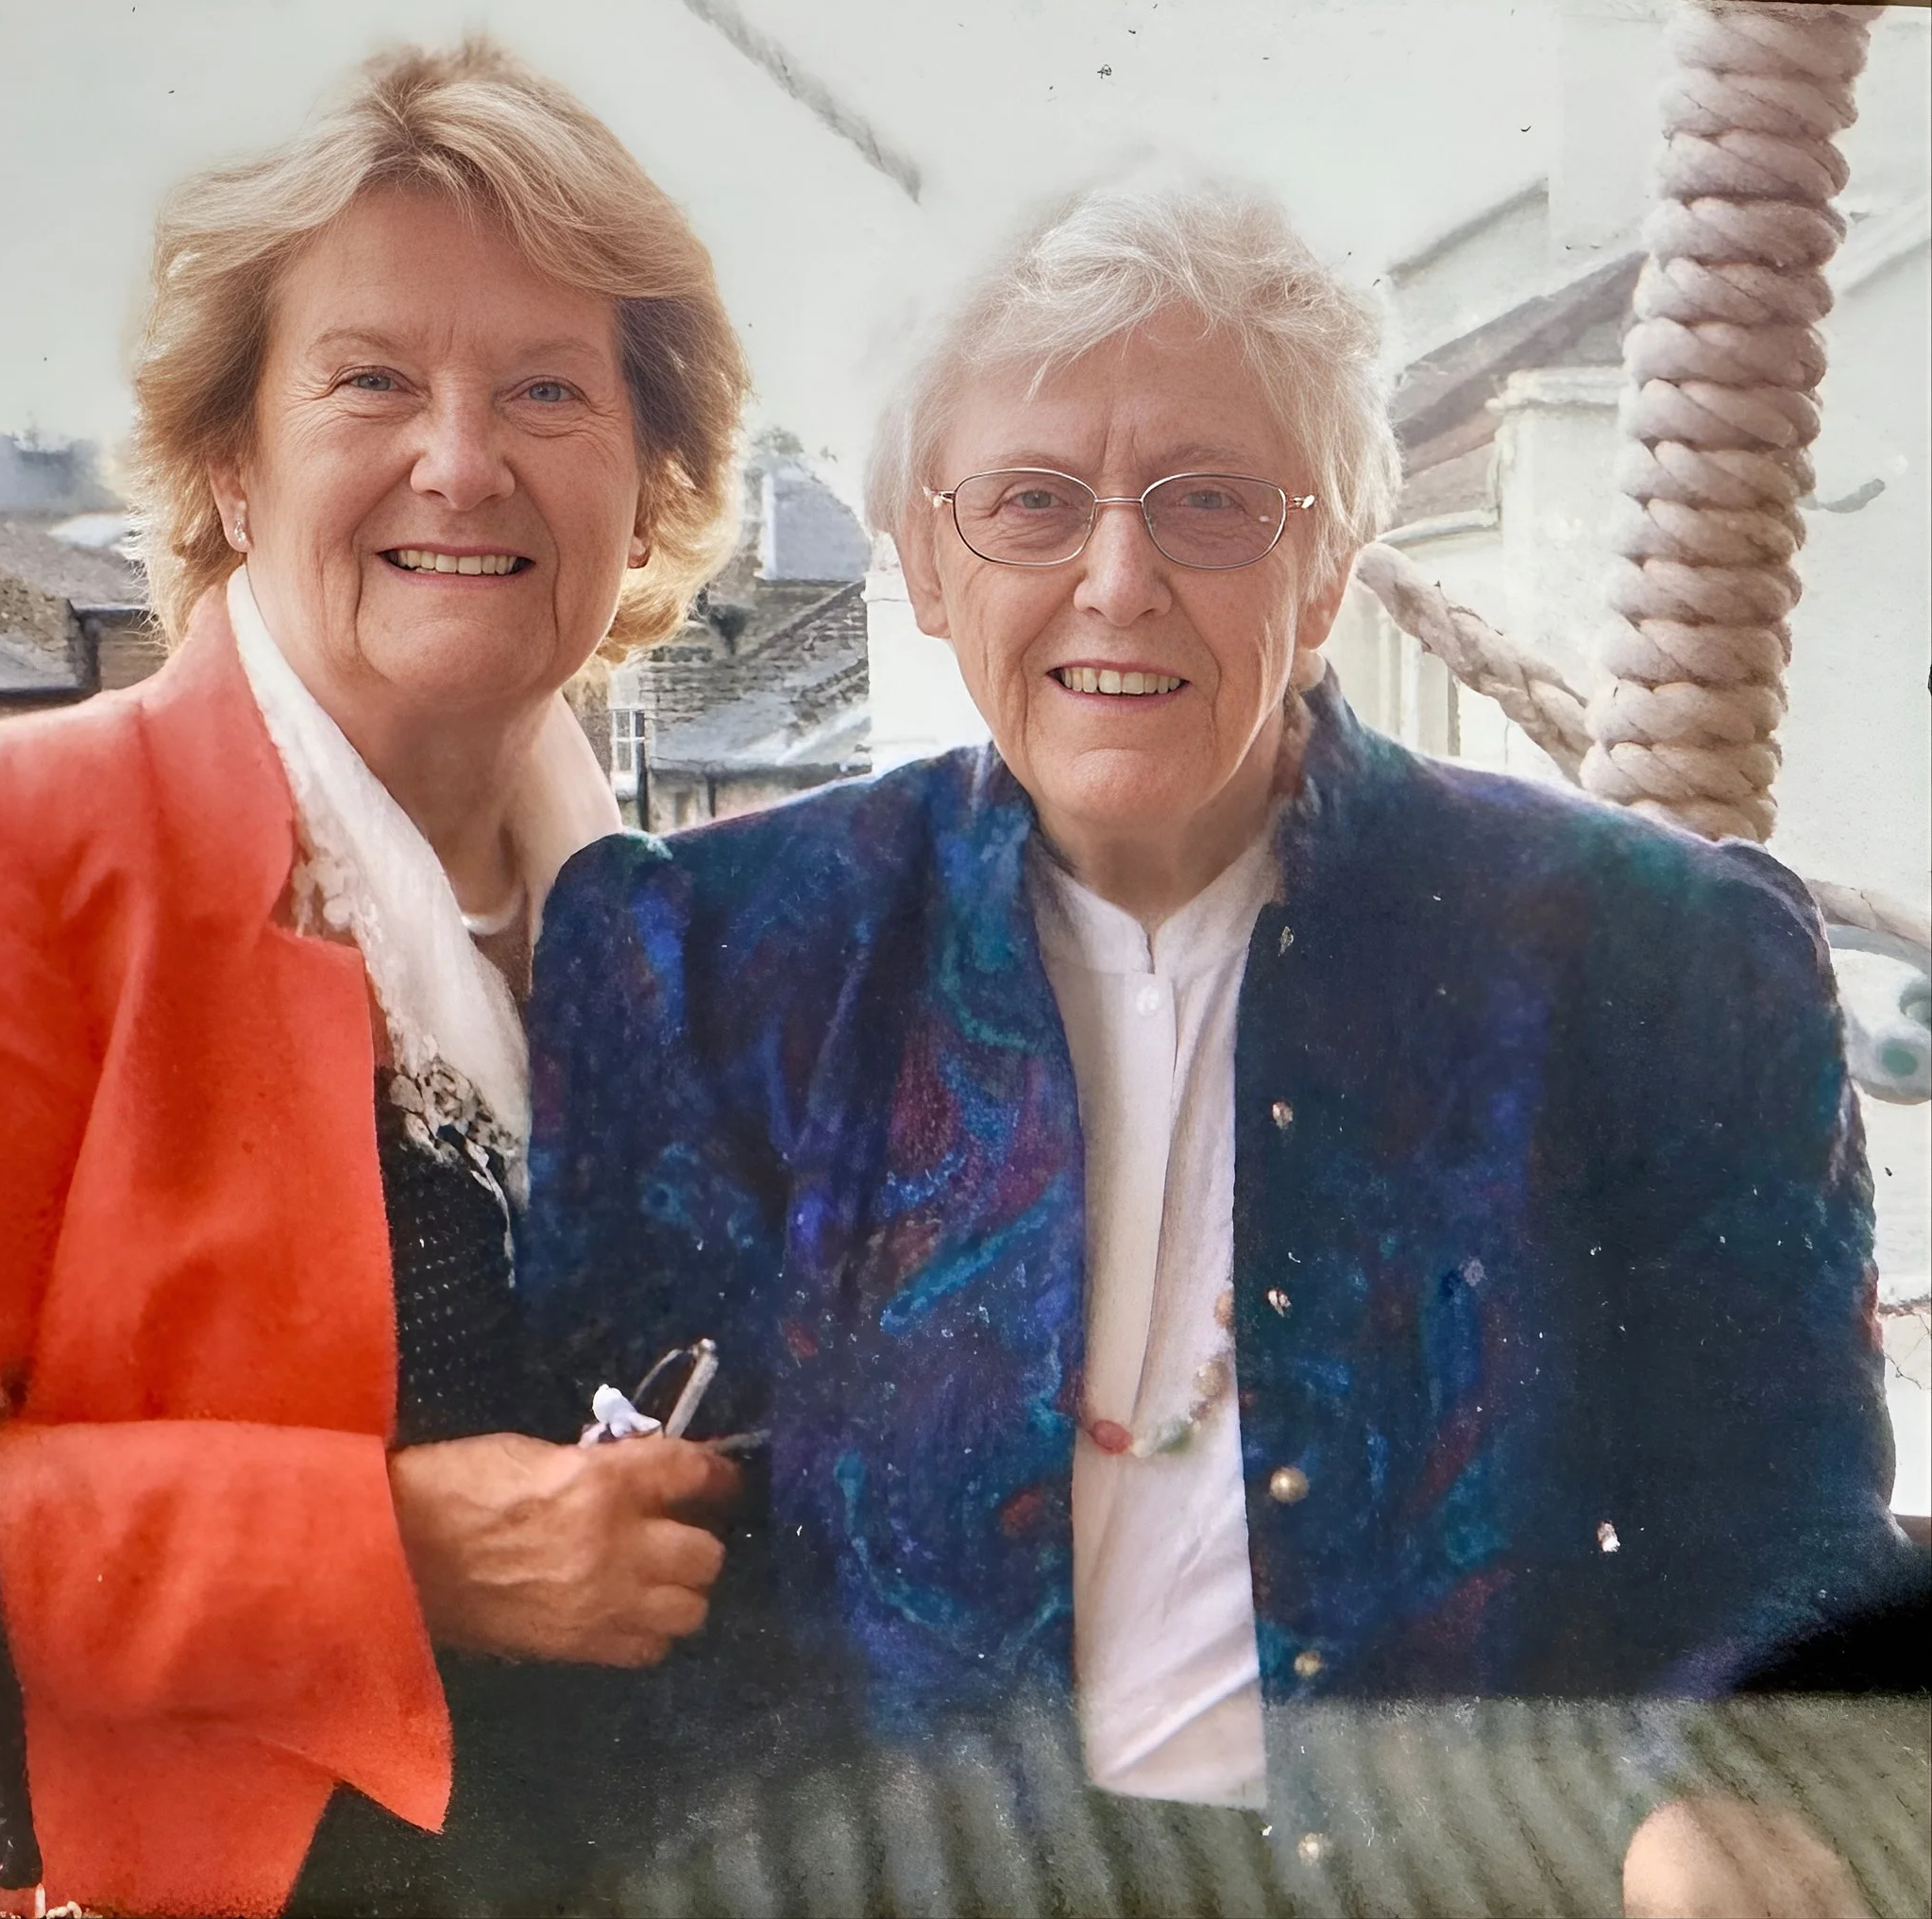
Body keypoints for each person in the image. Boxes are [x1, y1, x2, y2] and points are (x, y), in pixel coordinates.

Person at [520, 183, 1914, 1911]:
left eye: (1214, 504)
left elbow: (1783, 1534)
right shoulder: (709, 961)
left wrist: (1711, 1800)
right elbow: (623, 1592)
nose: (1119, 579)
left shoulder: (1656, 961)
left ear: (1330, 565)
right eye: (1032, 504)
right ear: (929, 562)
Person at [0, 40, 747, 1916]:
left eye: (550, 387)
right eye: (371, 379)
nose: (462, 457)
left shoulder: (693, 940)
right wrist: (385, 1551)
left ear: (647, 483)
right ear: (232, 462)